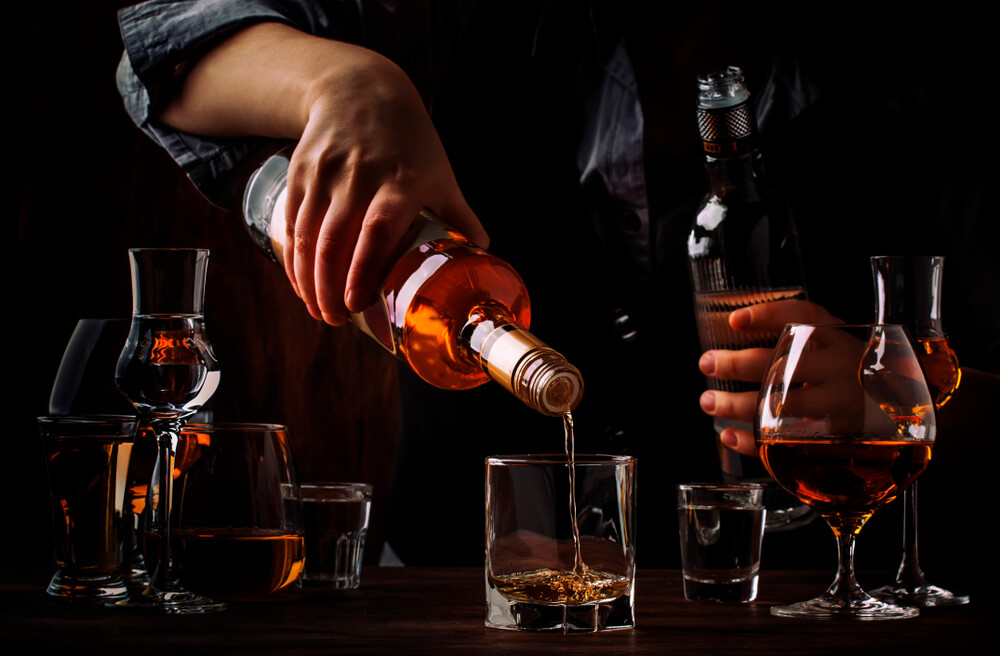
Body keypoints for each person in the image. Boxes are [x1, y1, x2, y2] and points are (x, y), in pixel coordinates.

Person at [116, 1, 996, 568]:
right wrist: (341, 78)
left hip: (813, 620)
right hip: (454, 603)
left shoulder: (929, 80)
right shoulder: (460, 22)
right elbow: (153, 51)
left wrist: (909, 411)